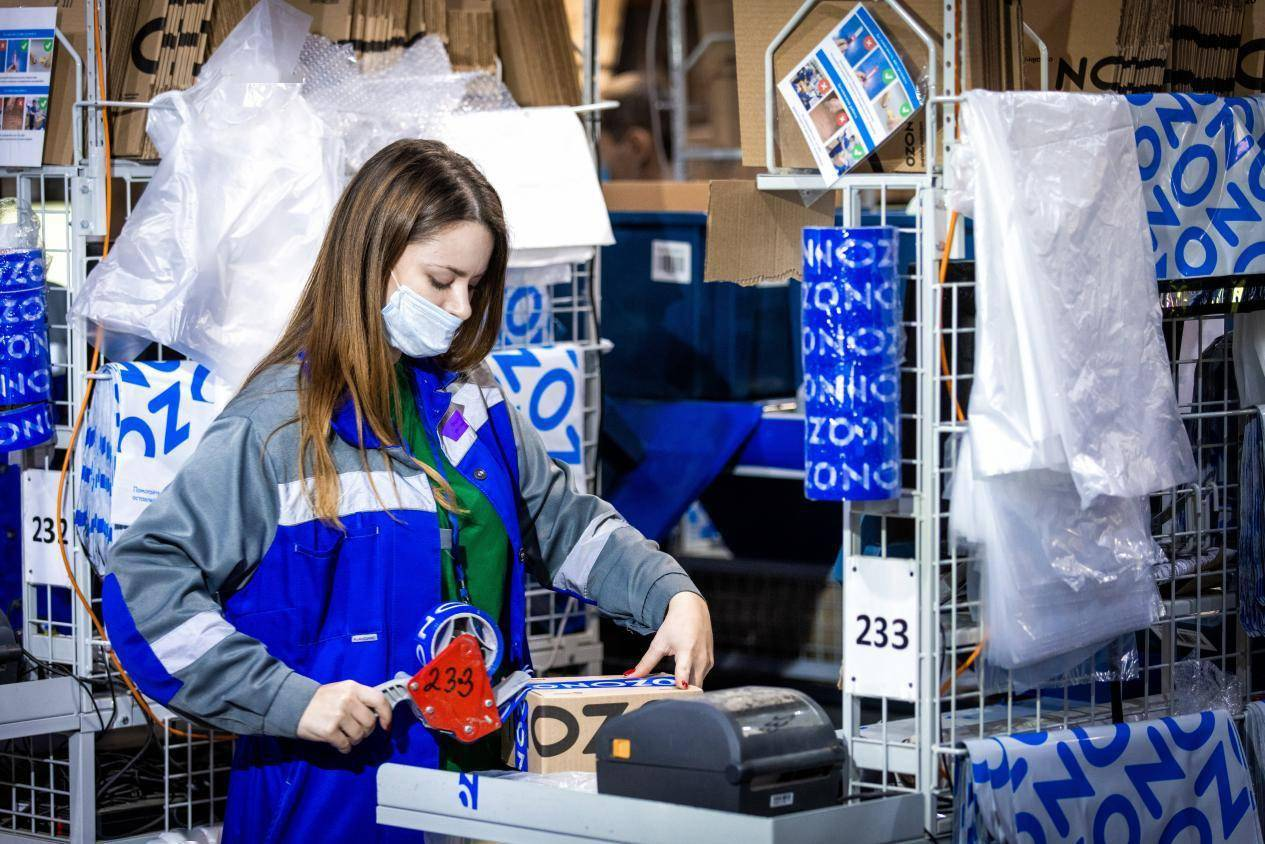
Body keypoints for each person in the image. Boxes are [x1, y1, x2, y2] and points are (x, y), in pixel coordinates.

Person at [103, 139, 713, 842]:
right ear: (371, 260)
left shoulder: (472, 404)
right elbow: (144, 582)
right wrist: (286, 700)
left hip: (481, 794)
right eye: (440, 280)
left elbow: (565, 527)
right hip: (333, 805)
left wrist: (670, 593)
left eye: (475, 287)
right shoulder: (277, 428)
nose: (459, 308)